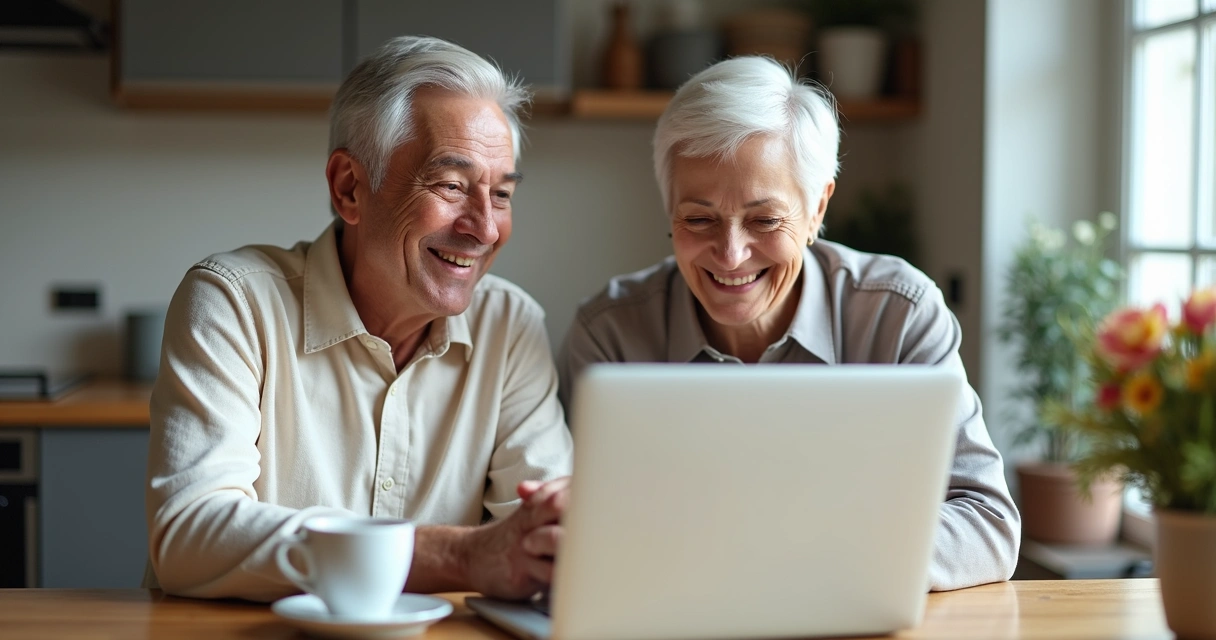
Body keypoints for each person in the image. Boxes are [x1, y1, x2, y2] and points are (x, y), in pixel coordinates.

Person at [558, 56, 1020, 591]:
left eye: (764, 219)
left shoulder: (898, 314)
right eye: (699, 218)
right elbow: (585, 531)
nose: (730, 254)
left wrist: (809, 565)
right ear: (669, 211)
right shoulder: (609, 334)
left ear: (817, 208)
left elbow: (988, 522)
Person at [145, 36, 572, 602]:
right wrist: (460, 556)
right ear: (349, 188)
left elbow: (543, 538)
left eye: (500, 194)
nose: (485, 228)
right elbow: (188, 534)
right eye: (451, 186)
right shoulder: (234, 303)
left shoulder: (511, 327)